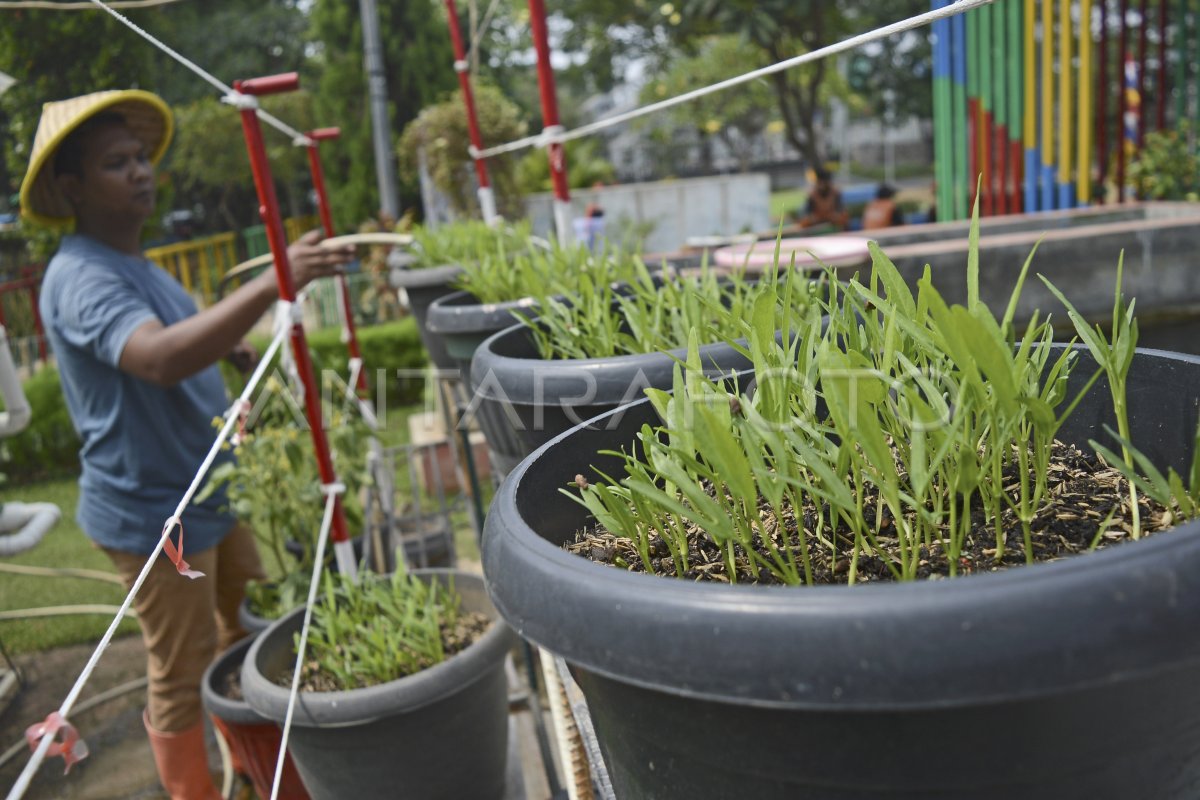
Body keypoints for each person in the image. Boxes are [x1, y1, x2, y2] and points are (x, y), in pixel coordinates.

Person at [19, 90, 353, 799]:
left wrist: (230, 346)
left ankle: (266, 775)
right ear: (71, 186)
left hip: (208, 488)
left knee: (248, 632)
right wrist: (276, 280)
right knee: (181, 668)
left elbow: (180, 337)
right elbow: (159, 357)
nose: (140, 171)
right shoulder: (81, 275)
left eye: (141, 157)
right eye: (116, 163)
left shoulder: (139, 264)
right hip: (154, 515)